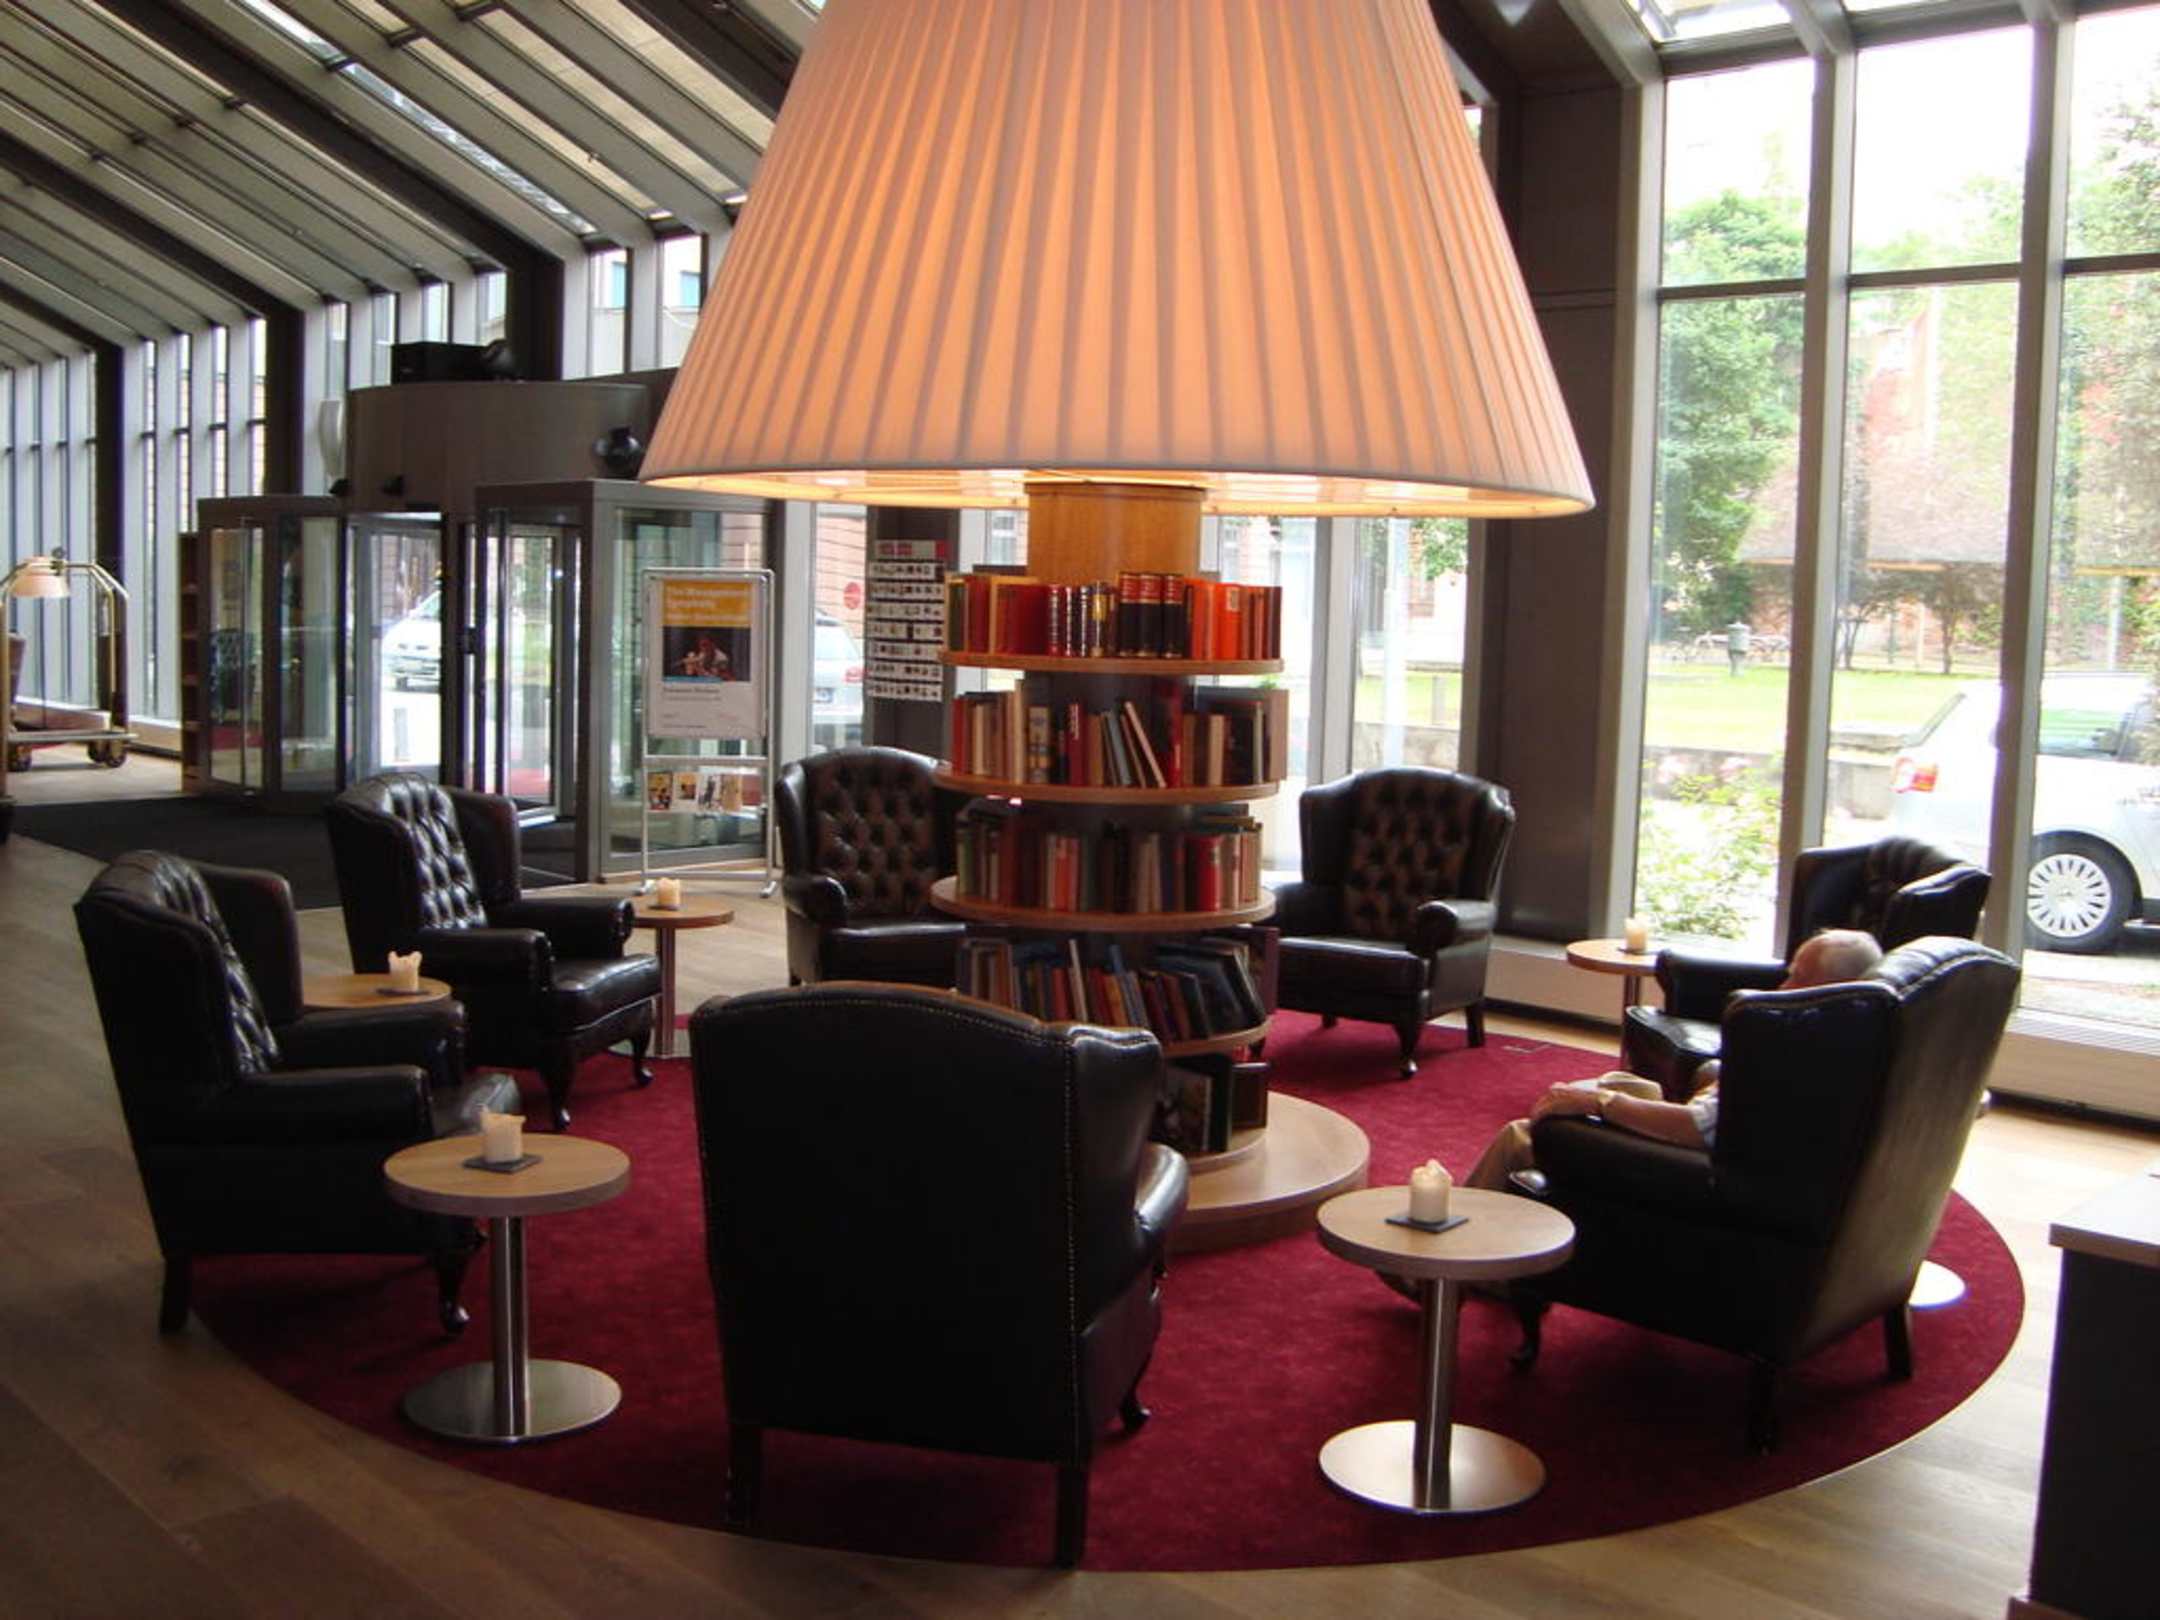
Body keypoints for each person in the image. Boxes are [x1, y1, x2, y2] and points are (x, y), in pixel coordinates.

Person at [1463, 927, 1884, 1193]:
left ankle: (1459, 1258)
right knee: (1623, 1083)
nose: (1782, 986)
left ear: (1839, 987)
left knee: (1524, 1133)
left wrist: (1599, 1105)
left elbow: (1696, 1129)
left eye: (1799, 977)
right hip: (1724, 1144)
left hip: (1688, 1168)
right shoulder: (1852, 1040)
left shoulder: (1789, 1052)